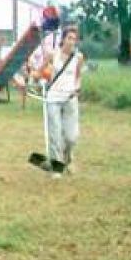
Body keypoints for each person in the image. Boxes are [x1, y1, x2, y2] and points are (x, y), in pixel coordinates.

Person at [32, 26, 84, 176]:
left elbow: (78, 76)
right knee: (54, 133)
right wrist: (33, 77)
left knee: (71, 137)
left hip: (70, 98)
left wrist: (77, 87)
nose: (72, 42)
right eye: (69, 38)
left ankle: (68, 158)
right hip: (53, 98)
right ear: (63, 39)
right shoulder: (52, 54)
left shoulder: (78, 57)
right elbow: (40, 71)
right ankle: (56, 167)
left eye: (74, 39)